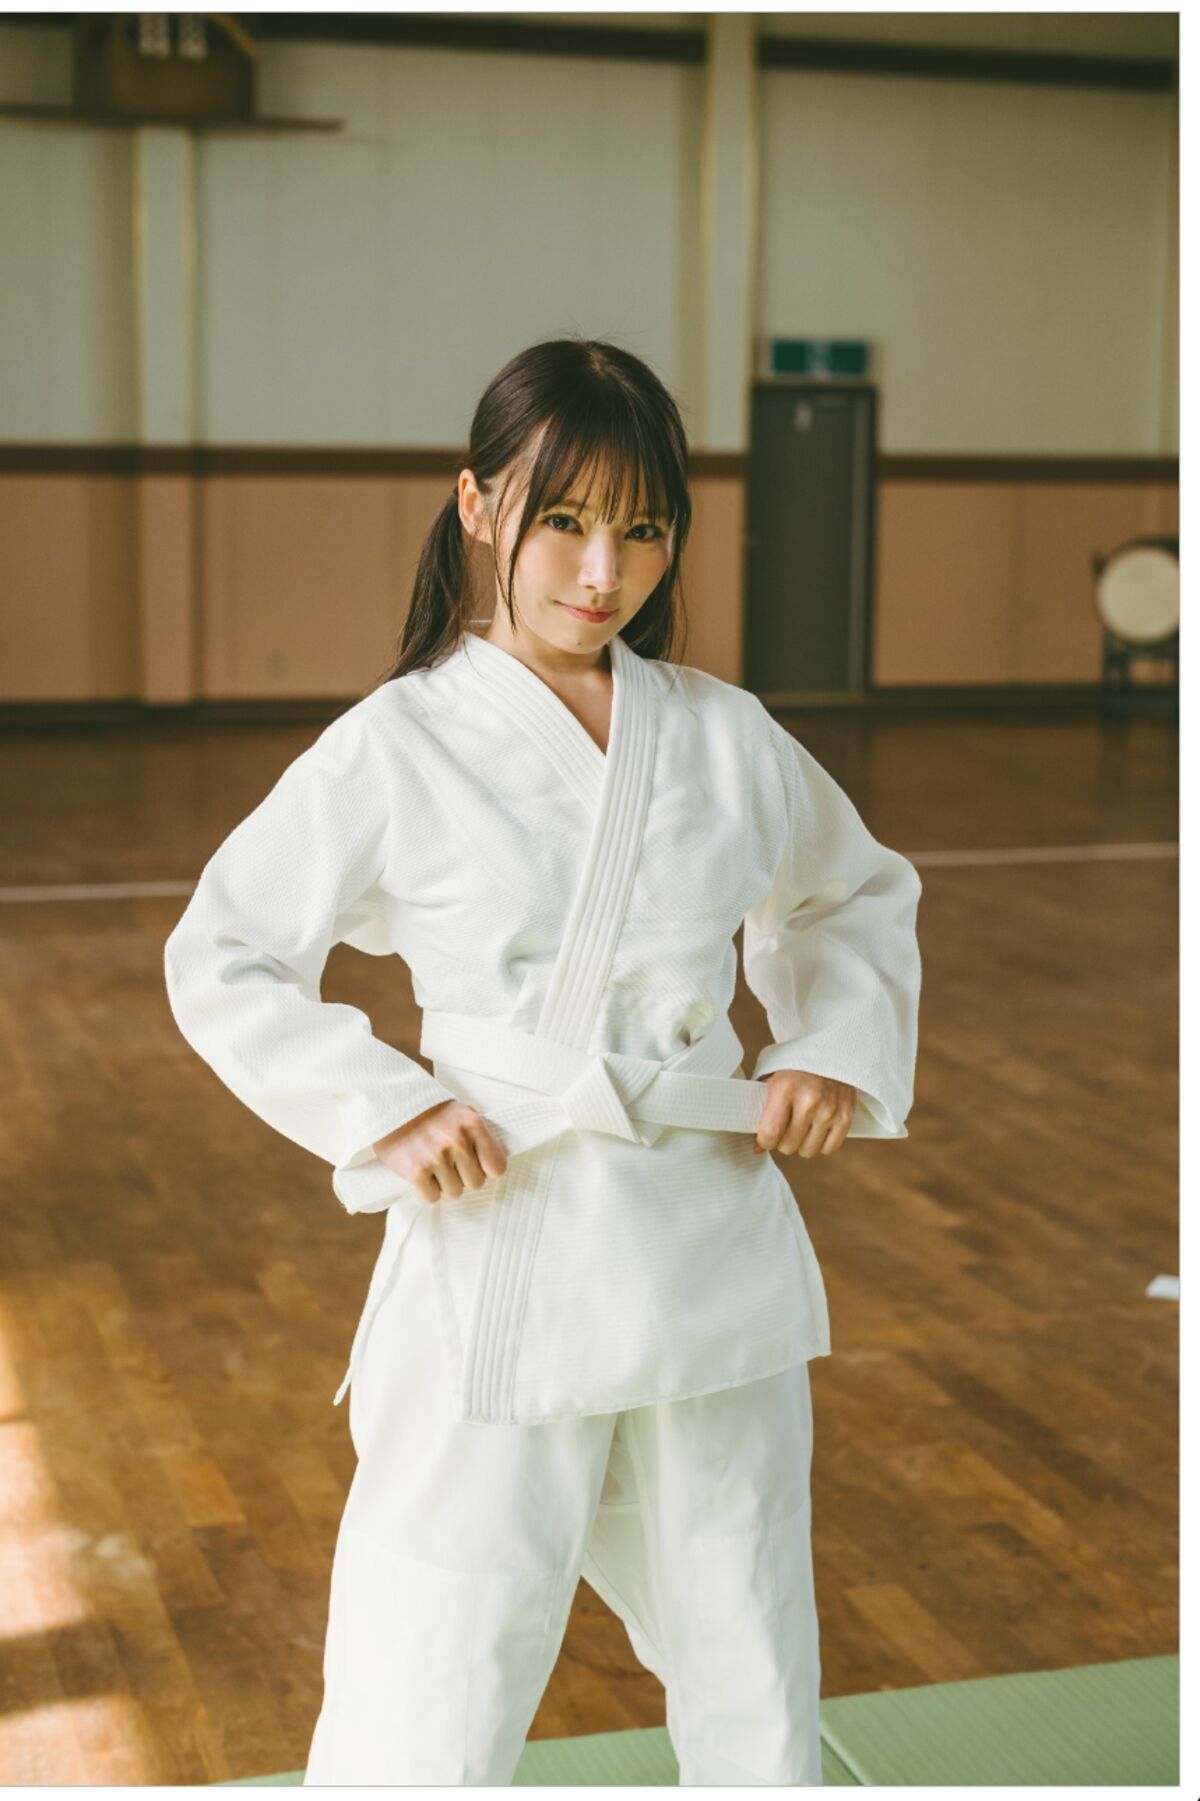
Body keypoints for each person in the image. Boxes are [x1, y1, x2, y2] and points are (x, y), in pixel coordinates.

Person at [163, 336, 922, 1785]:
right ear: (478, 504)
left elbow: (852, 892)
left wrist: (829, 1045)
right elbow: (225, 949)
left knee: (748, 1619)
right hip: (504, 1220)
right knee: (439, 1644)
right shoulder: (402, 742)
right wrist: (384, 1107)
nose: (603, 570)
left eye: (643, 528)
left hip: (704, 1226)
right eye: (564, 519)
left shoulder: (725, 735)